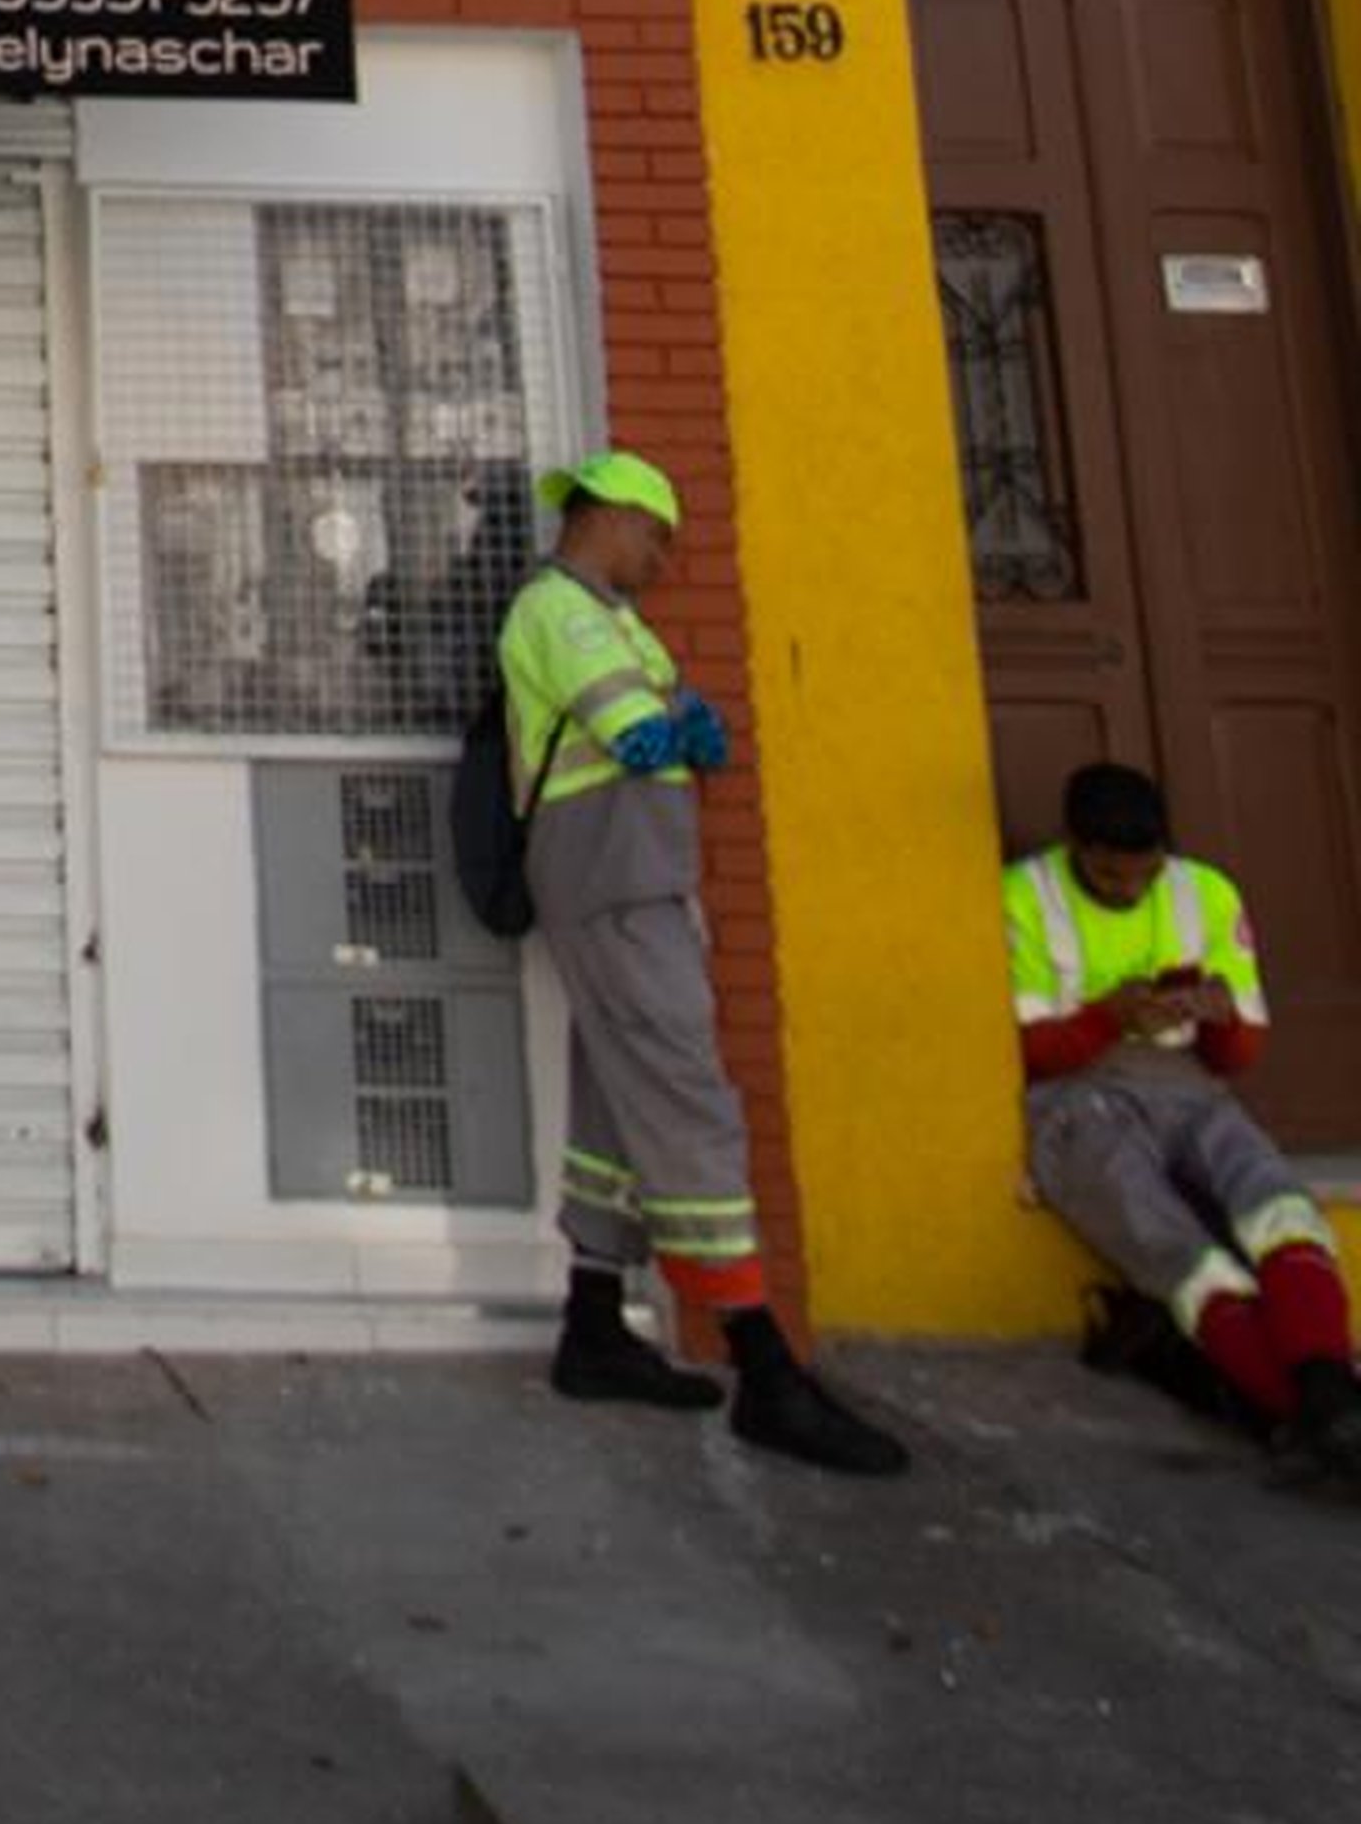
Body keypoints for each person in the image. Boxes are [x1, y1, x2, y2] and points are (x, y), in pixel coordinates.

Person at [501, 449, 910, 1475]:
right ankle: (763, 1366)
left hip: (640, 883)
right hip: (611, 882)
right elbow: (647, 739)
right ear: (612, 519)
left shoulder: (616, 618)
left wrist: (686, 728)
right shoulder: (561, 612)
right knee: (688, 1101)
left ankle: (593, 1326)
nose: (664, 557)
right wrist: (679, 724)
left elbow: (704, 741)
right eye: (657, 535)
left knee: (615, 1101)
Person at [1010, 761, 1361, 1482]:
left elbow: (1240, 1055)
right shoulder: (1022, 896)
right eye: (1109, 877)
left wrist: (1219, 1019)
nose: (1129, 889)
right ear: (1076, 847)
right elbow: (1024, 1052)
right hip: (1075, 1100)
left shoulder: (1205, 892)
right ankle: (1307, 1410)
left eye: (1143, 873)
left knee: (1278, 1207)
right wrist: (1109, 1018)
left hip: (1188, 1083)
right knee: (1177, 1249)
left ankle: (1327, 1398)